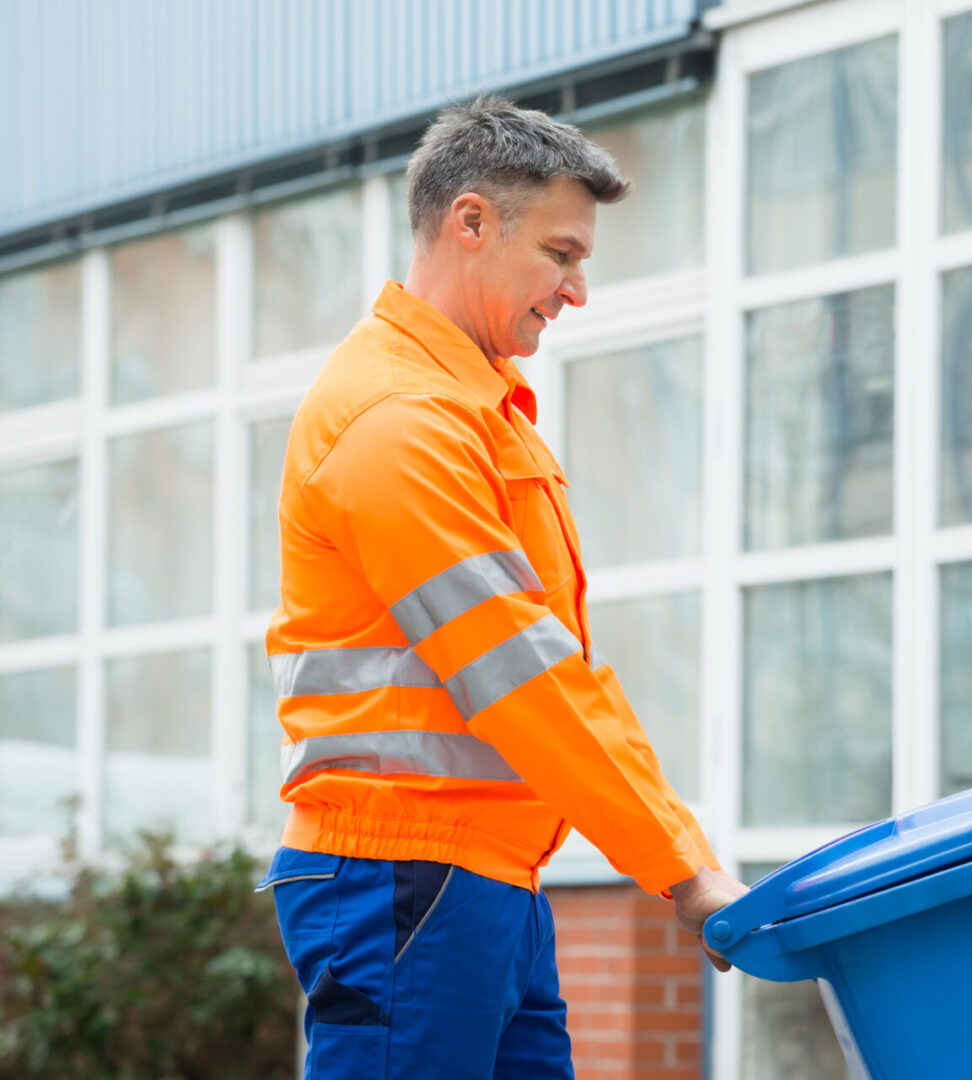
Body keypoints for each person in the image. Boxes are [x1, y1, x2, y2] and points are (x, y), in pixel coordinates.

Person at [257, 94, 748, 1078]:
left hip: (472, 878)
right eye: (561, 255)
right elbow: (520, 677)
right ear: (469, 221)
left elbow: (559, 668)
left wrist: (680, 854)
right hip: (404, 873)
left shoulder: (475, 413)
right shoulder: (399, 422)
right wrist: (681, 869)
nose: (575, 291)